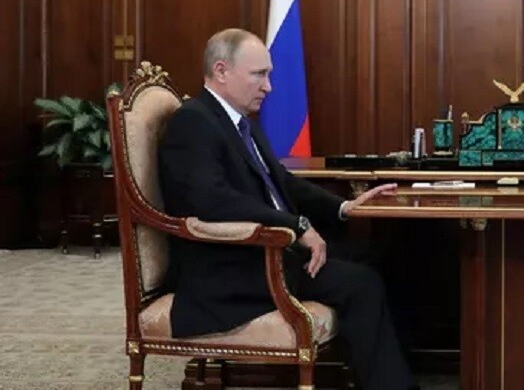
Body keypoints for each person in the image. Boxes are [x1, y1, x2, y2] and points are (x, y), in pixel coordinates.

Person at [158, 28, 416, 390]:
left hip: (272, 250)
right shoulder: (194, 122)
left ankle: (383, 375)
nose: (269, 87)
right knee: (363, 283)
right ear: (221, 71)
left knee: (387, 255)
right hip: (234, 265)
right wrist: (297, 226)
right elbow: (214, 200)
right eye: (259, 74)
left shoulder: (240, 122)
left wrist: (344, 207)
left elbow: (282, 182)